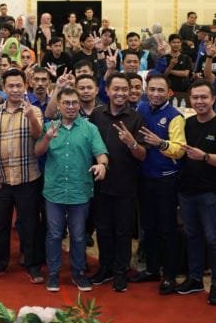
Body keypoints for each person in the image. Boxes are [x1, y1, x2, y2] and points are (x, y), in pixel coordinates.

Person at [35, 86, 108, 293]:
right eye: (66, 103)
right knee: (54, 234)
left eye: (74, 102)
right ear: (58, 105)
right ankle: (53, 274)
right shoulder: (49, 126)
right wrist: (47, 138)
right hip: (54, 191)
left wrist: (102, 165)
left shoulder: (89, 129)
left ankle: (78, 273)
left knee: (78, 236)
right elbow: (37, 152)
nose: (71, 106)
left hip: (80, 191)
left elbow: (101, 153)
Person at [175, 79, 216, 305]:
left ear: (213, 99)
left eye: (204, 97)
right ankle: (195, 279)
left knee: (213, 239)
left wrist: (205, 157)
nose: (199, 101)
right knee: (192, 236)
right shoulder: (186, 124)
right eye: (195, 97)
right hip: (187, 191)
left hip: (211, 193)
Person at [0, 68, 45, 283]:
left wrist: (31, 118)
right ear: (4, 88)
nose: (15, 89)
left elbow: (38, 136)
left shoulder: (34, 110)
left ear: (25, 86)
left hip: (28, 178)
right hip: (1, 178)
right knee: (0, 224)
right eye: (11, 86)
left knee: (29, 224)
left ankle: (33, 265)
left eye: (19, 85)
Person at [88, 73, 145, 292]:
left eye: (124, 89)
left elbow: (143, 155)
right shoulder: (97, 114)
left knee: (123, 231)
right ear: (107, 91)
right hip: (100, 183)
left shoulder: (136, 118)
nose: (120, 93)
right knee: (103, 229)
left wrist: (132, 143)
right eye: (116, 89)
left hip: (125, 184)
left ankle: (121, 271)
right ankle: (105, 267)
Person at [133, 73, 186, 293]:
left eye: (160, 90)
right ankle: (152, 268)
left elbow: (179, 149)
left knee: (167, 229)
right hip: (144, 177)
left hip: (166, 179)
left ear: (169, 93)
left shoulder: (175, 116)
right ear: (146, 90)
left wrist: (160, 143)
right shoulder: (141, 108)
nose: (155, 94)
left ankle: (169, 275)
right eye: (152, 89)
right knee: (149, 226)